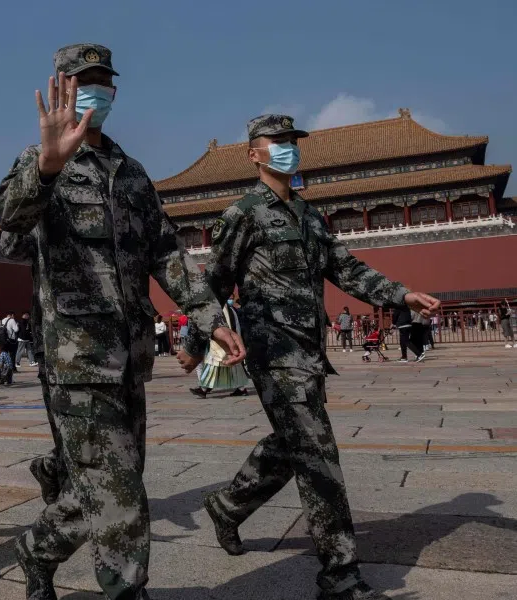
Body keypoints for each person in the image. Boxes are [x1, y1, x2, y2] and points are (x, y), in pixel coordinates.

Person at [0, 44, 243, 600]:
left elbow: (167, 256)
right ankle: (127, 589)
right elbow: (7, 223)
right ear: (61, 88)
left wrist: (208, 316)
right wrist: (47, 168)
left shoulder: (133, 176)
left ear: (115, 92)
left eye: (102, 81)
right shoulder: (41, 161)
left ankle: (37, 548)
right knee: (119, 490)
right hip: (75, 358)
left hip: (129, 358)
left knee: (108, 481)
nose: (93, 91)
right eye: (82, 81)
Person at [203, 114, 441, 600]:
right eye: (279, 142)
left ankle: (228, 505)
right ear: (255, 154)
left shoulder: (310, 216)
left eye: (294, 141)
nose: (289, 148)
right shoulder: (242, 214)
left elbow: (345, 268)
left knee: (293, 444)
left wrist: (401, 295)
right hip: (273, 354)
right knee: (318, 456)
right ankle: (340, 576)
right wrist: (201, 342)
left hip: (309, 354)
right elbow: (210, 283)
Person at [0, 231, 66, 505]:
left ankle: (51, 467)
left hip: (115, 342)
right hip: (58, 340)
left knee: (114, 434)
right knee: (71, 429)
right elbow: (10, 244)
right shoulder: (42, 203)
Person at [191, 300, 250, 398]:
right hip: (225, 340)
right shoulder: (228, 308)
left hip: (220, 341)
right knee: (231, 365)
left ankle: (203, 389)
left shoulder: (220, 308)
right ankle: (241, 388)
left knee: (213, 363)